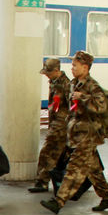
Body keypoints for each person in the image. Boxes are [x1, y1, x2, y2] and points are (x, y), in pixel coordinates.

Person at [40, 51, 108, 215]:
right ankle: (107, 198)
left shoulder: (92, 86)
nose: (72, 68)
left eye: (75, 65)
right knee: (93, 170)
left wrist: (84, 98)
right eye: (72, 65)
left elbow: (101, 107)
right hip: (77, 134)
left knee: (74, 168)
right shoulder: (75, 83)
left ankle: (58, 201)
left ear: (85, 67)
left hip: (88, 134)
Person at [29, 58, 71, 192]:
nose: (46, 75)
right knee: (50, 153)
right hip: (55, 124)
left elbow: (72, 107)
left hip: (61, 126)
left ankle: (43, 181)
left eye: (48, 72)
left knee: (49, 154)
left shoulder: (66, 85)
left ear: (57, 71)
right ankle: (43, 181)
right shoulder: (54, 82)